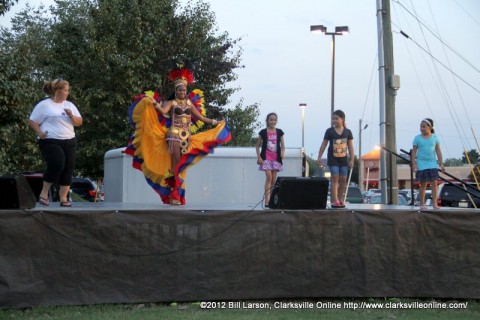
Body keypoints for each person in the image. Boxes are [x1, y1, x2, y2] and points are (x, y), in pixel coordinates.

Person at [126, 67, 231, 205]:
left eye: (183, 90)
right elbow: (163, 111)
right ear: (175, 91)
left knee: (182, 166)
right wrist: (156, 104)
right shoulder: (171, 103)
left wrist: (216, 122)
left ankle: (179, 195)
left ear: (186, 91)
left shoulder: (189, 104)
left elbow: (201, 117)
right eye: (179, 90)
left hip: (187, 137)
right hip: (174, 135)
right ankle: (175, 194)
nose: (182, 92)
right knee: (178, 163)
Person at [28, 79, 83, 207]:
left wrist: (71, 116)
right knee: (57, 163)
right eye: (65, 90)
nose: (67, 93)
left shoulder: (69, 105)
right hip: (50, 140)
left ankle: (63, 198)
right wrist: (40, 133)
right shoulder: (44, 105)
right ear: (57, 91)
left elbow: (79, 122)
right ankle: (44, 192)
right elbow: (32, 121)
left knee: (68, 168)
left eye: (67, 91)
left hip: (69, 140)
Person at [316, 110, 354, 208]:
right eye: (333, 119)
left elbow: (350, 146)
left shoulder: (347, 132)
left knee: (343, 179)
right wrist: (319, 156)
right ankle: (334, 199)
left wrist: (352, 159)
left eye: (336, 118)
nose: (334, 120)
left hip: (343, 159)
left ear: (342, 119)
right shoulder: (329, 131)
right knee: (335, 177)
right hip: (333, 159)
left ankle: (341, 198)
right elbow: (324, 144)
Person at [411, 118, 444, 210]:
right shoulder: (417, 138)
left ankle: (434, 203)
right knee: (423, 184)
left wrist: (441, 163)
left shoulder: (435, 137)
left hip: (432, 163)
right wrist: (414, 165)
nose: (422, 128)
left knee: (434, 183)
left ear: (430, 127)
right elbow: (414, 152)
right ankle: (422, 203)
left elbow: (438, 150)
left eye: (424, 127)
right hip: (421, 163)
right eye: (421, 126)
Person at [255, 113, 285, 207]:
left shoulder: (279, 132)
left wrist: (283, 153)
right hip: (266, 158)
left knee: (273, 180)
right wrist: (259, 157)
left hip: (276, 159)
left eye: (274, 120)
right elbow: (257, 146)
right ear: (267, 121)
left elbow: (283, 145)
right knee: (269, 177)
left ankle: (272, 199)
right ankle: (267, 201)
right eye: (271, 120)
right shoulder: (263, 132)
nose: (273, 121)